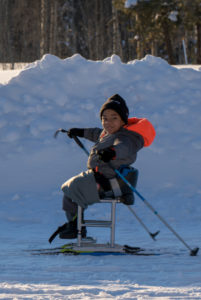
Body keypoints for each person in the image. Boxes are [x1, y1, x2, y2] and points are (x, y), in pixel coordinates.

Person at [59, 94, 156, 239]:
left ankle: (76, 227)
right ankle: (75, 226)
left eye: (114, 118)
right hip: (100, 178)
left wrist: (112, 152)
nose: (108, 122)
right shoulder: (109, 133)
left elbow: (124, 148)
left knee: (72, 188)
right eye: (105, 118)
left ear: (123, 120)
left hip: (108, 183)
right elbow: (96, 133)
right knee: (70, 189)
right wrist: (80, 132)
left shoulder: (127, 137)